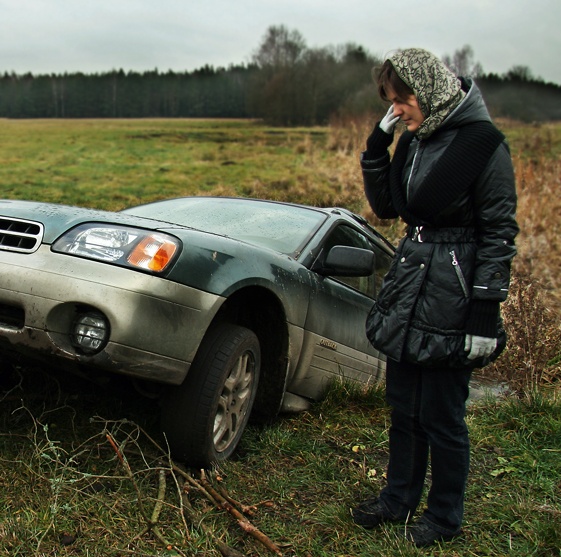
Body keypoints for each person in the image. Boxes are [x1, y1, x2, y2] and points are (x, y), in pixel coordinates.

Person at [351, 48, 518, 547]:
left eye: (402, 100)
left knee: (443, 416)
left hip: (455, 293)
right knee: (404, 407)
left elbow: (499, 233)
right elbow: (388, 207)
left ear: (433, 90)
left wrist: (484, 313)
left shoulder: (483, 145)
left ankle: (444, 517)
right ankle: (397, 499)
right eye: (391, 102)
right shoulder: (416, 140)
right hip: (411, 286)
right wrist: (379, 145)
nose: (397, 110)